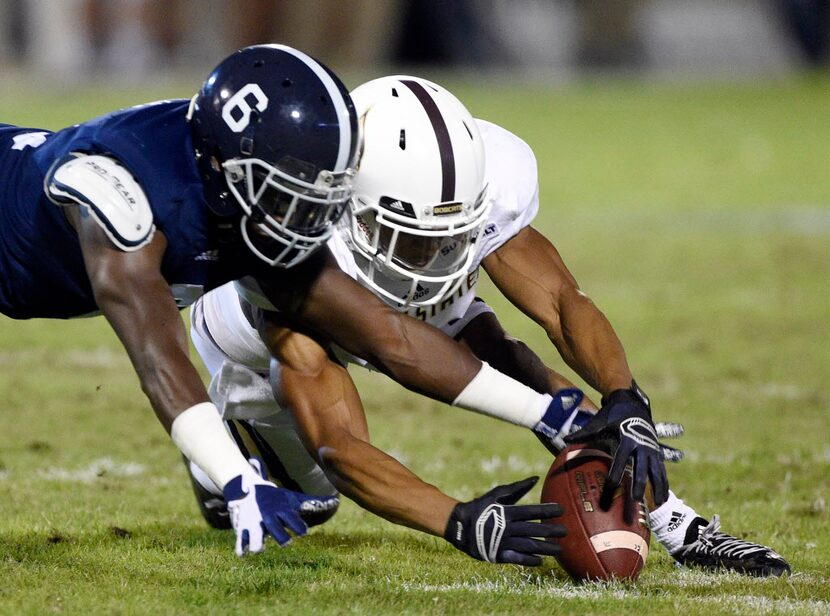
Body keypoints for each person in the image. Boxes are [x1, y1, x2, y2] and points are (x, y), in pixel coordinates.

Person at [0, 44, 621, 561]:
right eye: (291, 192)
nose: (314, 218)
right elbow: (160, 362)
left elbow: (390, 339)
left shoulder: (245, 193)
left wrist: (549, 414)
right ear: (222, 163)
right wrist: (239, 482)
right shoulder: (117, 198)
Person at [187, 75, 790, 577]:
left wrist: (625, 394)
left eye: (454, 237)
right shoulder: (291, 261)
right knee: (314, 497)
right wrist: (460, 521)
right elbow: (344, 448)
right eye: (414, 242)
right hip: (248, 336)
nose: (440, 260)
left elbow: (560, 300)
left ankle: (681, 526)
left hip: (379, 293)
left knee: (518, 368)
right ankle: (226, 454)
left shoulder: (481, 187)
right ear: (350, 213)